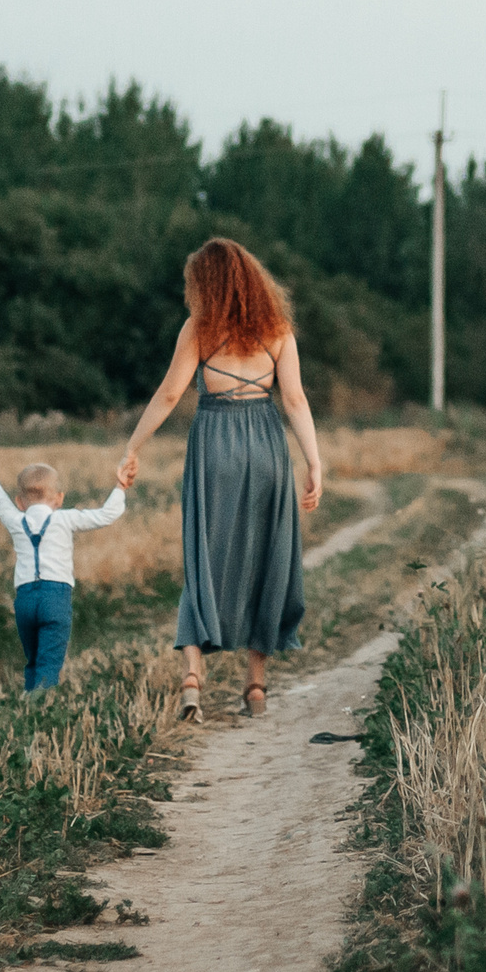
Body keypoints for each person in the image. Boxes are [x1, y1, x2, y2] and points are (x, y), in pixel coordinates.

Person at [115, 237, 324, 722]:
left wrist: (132, 447)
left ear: (205, 285)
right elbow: (295, 400)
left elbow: (170, 395)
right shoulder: (278, 330)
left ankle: (193, 676)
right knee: (268, 558)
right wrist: (314, 462)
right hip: (267, 448)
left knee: (203, 557)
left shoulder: (199, 329)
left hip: (214, 447)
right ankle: (256, 685)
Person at [0, 460, 126, 692]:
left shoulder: (16, 520)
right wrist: (120, 487)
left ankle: (29, 703)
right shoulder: (65, 519)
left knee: (33, 661)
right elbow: (107, 514)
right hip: (55, 598)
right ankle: (41, 704)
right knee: (49, 664)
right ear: (59, 498)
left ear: (19, 502)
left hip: (25, 600)